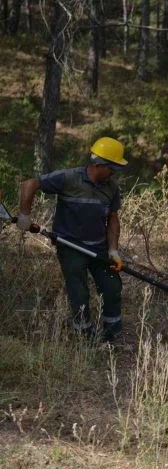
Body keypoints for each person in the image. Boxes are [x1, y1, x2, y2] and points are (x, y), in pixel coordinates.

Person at [17, 137, 129, 343]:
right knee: (79, 292)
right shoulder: (68, 178)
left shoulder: (111, 187)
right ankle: (84, 336)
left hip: (99, 248)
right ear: (99, 164)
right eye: (112, 168)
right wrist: (24, 215)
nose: (114, 173)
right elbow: (29, 184)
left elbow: (113, 218)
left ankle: (111, 335)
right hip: (70, 247)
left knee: (112, 287)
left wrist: (113, 250)